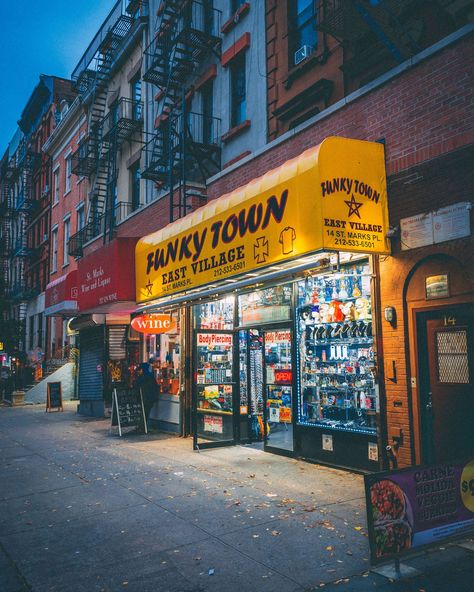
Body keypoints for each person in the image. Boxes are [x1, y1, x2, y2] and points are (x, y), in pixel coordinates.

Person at [136, 358, 159, 431]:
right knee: (146, 413)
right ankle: (143, 427)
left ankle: (142, 427)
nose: (139, 371)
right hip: (149, 399)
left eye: (140, 370)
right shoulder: (150, 376)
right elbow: (155, 386)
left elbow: (137, 386)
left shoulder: (141, 378)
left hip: (144, 398)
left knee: (143, 412)